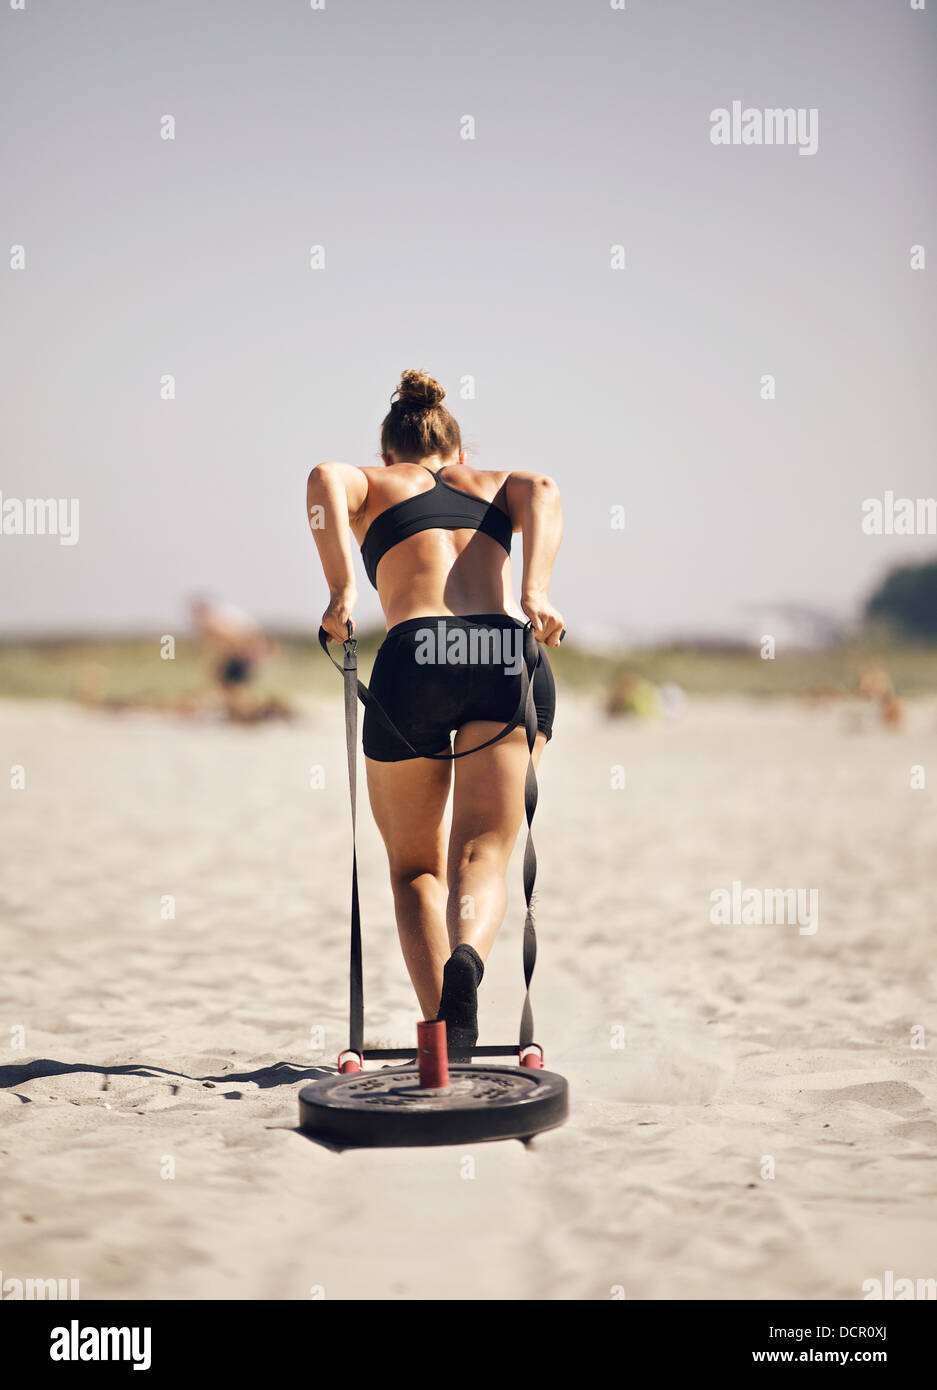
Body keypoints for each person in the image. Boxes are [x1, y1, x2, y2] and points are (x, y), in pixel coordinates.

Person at [306, 369, 564, 1059]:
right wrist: (535, 591)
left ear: (389, 453)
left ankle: (444, 1038)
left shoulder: (377, 482)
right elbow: (541, 488)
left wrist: (339, 594)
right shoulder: (491, 484)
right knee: (484, 850)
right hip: (504, 649)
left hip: (417, 652)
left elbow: (324, 477)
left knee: (415, 869)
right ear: (457, 454)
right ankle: (468, 965)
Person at [188, 595, 273, 720]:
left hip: (243, 655)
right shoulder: (222, 617)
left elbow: (231, 644)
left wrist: (217, 667)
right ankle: (245, 713)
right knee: (232, 688)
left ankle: (247, 714)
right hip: (246, 654)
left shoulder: (214, 622)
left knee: (231, 687)